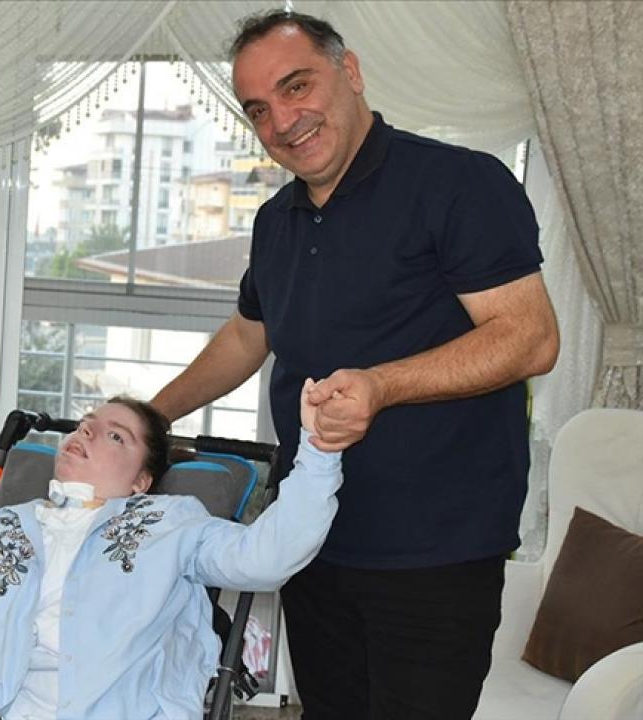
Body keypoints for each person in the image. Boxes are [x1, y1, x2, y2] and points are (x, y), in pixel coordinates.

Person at [150, 11, 560, 720]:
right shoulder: (276, 219)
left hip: (434, 551)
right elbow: (248, 336)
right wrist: (150, 416)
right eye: (258, 109)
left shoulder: (458, 183)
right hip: (311, 537)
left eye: (297, 86)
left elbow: (530, 338)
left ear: (351, 72)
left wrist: (381, 385)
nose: (283, 121)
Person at [0, 385, 342, 719]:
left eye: (115, 435)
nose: (86, 432)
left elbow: (265, 559)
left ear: (141, 482)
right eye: (86, 424)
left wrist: (319, 451)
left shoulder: (172, 524)